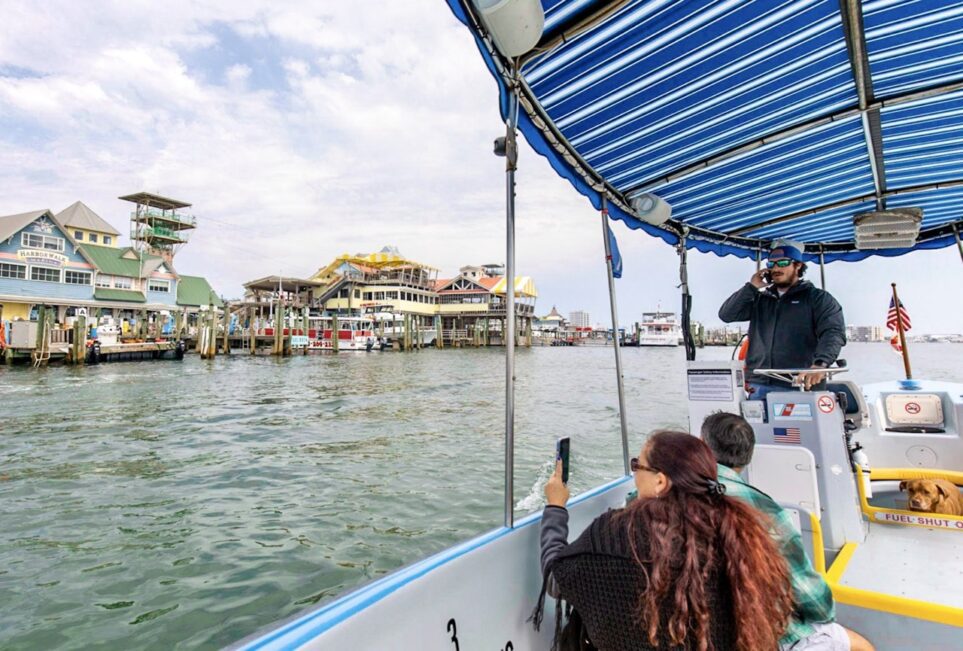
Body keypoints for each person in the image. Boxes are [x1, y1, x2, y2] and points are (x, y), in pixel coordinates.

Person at [534, 431, 794, 651]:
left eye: (638, 466)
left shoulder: (614, 533)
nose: (635, 473)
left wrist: (556, 507)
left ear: (659, 481)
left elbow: (556, 579)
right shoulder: (738, 536)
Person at [700, 412, 874, 651]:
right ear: (748, 457)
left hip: (695, 623)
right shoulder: (764, 510)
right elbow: (812, 599)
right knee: (861, 646)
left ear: (702, 447)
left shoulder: (665, 497)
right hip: (753, 631)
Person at [719, 242, 845, 401]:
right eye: (771, 264)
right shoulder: (760, 299)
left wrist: (820, 365)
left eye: (783, 263)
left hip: (799, 385)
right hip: (758, 385)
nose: (776, 268)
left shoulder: (818, 299)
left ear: (798, 265)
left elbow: (833, 333)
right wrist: (751, 287)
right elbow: (726, 314)